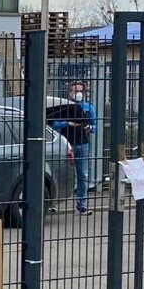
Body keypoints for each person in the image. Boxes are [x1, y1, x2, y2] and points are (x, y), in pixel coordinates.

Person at [51, 81, 96, 215]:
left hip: (83, 144)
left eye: (81, 91)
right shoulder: (62, 106)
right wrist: (67, 123)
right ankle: (53, 203)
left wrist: (90, 128)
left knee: (83, 175)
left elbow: (95, 125)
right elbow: (54, 124)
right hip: (65, 144)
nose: (79, 94)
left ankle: (81, 205)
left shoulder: (88, 107)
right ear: (69, 92)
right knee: (59, 174)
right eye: (76, 91)